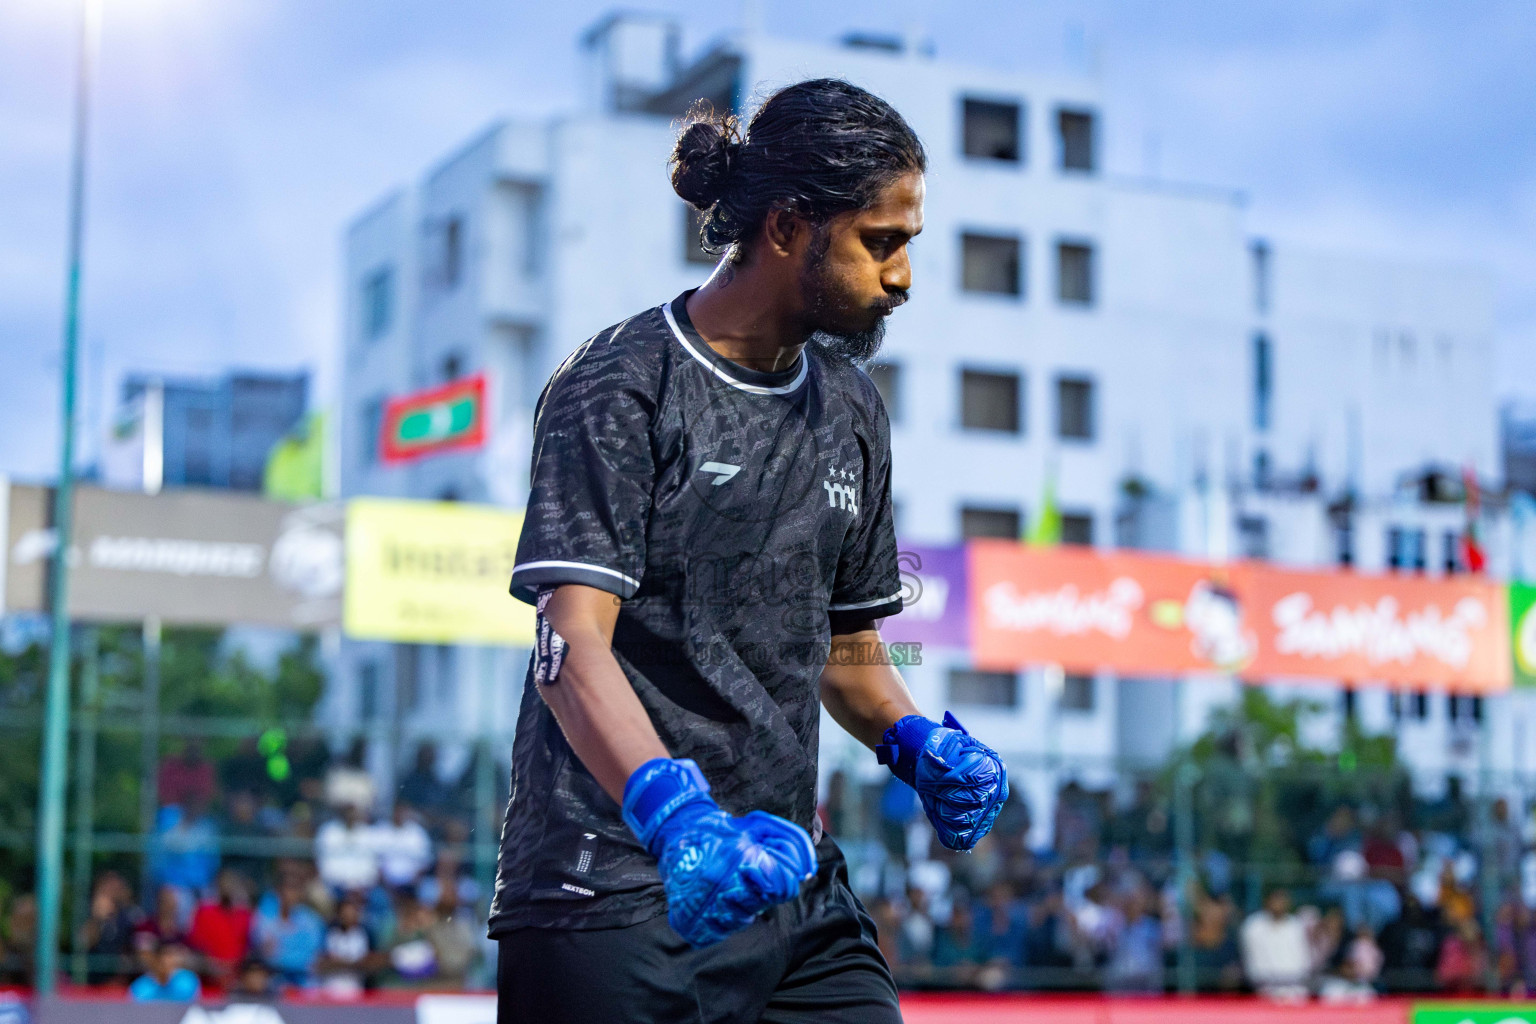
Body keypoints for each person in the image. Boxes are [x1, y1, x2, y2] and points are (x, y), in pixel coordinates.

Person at [489, 79, 1009, 1024]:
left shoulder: (853, 409)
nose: (903, 276)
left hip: (789, 897)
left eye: (907, 245)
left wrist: (917, 742)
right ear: (785, 228)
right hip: (606, 894)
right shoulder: (618, 385)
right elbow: (570, 651)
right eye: (880, 242)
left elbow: (844, 653)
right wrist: (678, 819)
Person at [250, 875, 325, 987]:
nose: (290, 895)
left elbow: (311, 957)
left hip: (303, 980)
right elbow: (267, 953)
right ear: (278, 892)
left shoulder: (312, 922)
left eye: (294, 890)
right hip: (273, 979)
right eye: (287, 889)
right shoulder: (264, 918)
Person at [1240, 887, 1312, 1000]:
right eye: (1275, 899)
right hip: (1264, 987)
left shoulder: (1296, 926)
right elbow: (1251, 962)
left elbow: (1304, 961)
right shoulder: (1253, 926)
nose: (1278, 903)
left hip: (1295, 987)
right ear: (1267, 901)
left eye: (1282, 900)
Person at [187, 869, 253, 983]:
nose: (227, 887)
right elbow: (196, 945)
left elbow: (249, 948)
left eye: (231, 883)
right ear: (217, 885)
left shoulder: (245, 915)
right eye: (224, 883)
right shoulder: (204, 912)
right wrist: (214, 967)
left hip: (238, 979)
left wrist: (233, 968)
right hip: (208, 977)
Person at [128, 940, 201, 1002]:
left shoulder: (188, 979)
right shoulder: (140, 985)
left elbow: (189, 1003)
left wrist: (167, 980)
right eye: (165, 956)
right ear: (156, 958)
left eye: (172, 956)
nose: (167, 961)